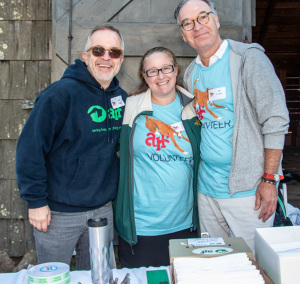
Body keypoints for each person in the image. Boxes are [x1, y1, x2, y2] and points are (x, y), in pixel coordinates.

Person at [173, 0, 289, 257]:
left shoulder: (248, 59)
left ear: (216, 19)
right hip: (208, 190)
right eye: (187, 23)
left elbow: (275, 119)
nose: (197, 26)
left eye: (203, 17)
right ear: (183, 35)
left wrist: (270, 179)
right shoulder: (192, 73)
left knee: (255, 264)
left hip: (248, 191)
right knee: (216, 263)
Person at [16, 24, 127, 269]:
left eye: (114, 52)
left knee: (98, 276)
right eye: (98, 50)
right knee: (53, 276)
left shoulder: (122, 100)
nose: (106, 57)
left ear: (121, 59)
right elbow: (29, 149)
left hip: (102, 209)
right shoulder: (58, 95)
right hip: (58, 214)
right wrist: (35, 201)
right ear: (86, 56)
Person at [113, 47, 201, 268]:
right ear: (144, 76)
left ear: (176, 70)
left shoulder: (194, 106)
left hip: (184, 223)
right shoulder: (129, 108)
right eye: (152, 71)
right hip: (140, 227)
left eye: (166, 68)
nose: (161, 76)